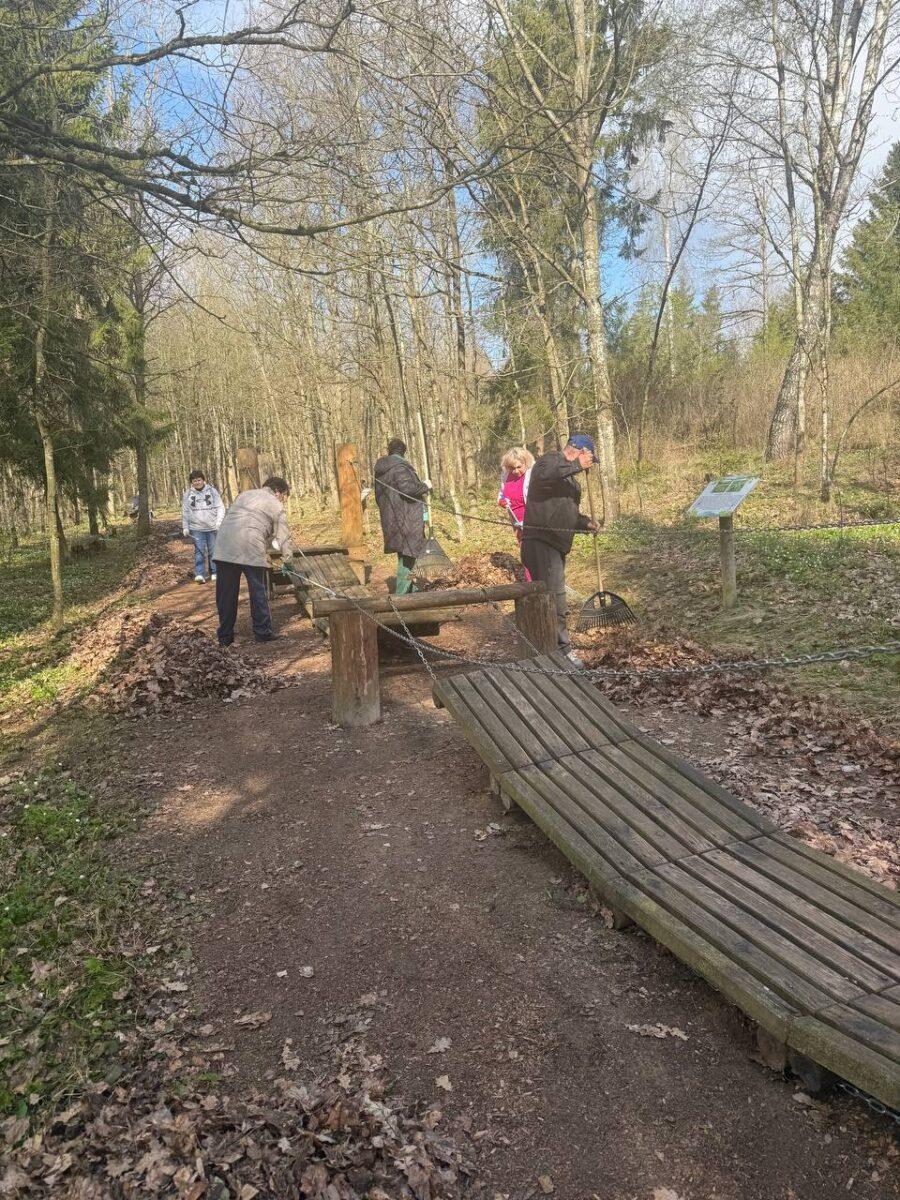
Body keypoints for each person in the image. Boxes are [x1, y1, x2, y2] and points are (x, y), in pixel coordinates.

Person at [520, 434, 598, 659]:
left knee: (549, 598)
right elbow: (546, 474)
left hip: (556, 543)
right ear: (580, 451)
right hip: (541, 542)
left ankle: (544, 649)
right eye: (589, 458)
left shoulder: (572, 483)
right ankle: (562, 652)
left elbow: (568, 513)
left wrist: (585, 523)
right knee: (556, 598)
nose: (589, 465)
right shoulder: (550, 460)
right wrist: (575, 465)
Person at [213, 476, 295, 646]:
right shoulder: (275, 504)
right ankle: (262, 632)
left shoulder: (244, 495)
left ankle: (225, 636)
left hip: (224, 545)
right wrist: (288, 561)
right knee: (258, 591)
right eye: (284, 495)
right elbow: (284, 537)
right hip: (250, 545)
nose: (283, 500)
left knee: (226, 594)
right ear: (278, 492)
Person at [373, 438, 431, 595]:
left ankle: (410, 590)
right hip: (407, 519)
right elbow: (408, 488)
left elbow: (378, 498)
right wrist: (425, 485)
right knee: (408, 556)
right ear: (403, 452)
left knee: (406, 554)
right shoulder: (400, 467)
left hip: (393, 519)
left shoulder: (381, 471)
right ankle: (401, 597)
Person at [498, 446, 535, 580]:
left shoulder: (533, 474)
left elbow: (537, 499)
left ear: (526, 462)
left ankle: (539, 581)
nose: (516, 471)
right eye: (512, 468)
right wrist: (502, 501)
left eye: (519, 467)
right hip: (516, 520)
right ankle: (529, 582)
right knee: (525, 551)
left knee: (535, 551)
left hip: (532, 520)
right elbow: (502, 493)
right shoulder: (506, 475)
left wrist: (529, 520)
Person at [181, 470, 224, 583]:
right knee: (199, 551)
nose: (197, 482)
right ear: (191, 482)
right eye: (194, 481)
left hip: (212, 527)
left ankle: (215, 572)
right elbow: (185, 511)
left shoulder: (212, 491)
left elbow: (220, 507)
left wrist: (218, 522)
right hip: (196, 528)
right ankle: (200, 574)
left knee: (213, 551)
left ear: (203, 480)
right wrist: (185, 527)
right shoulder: (188, 494)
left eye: (199, 480)